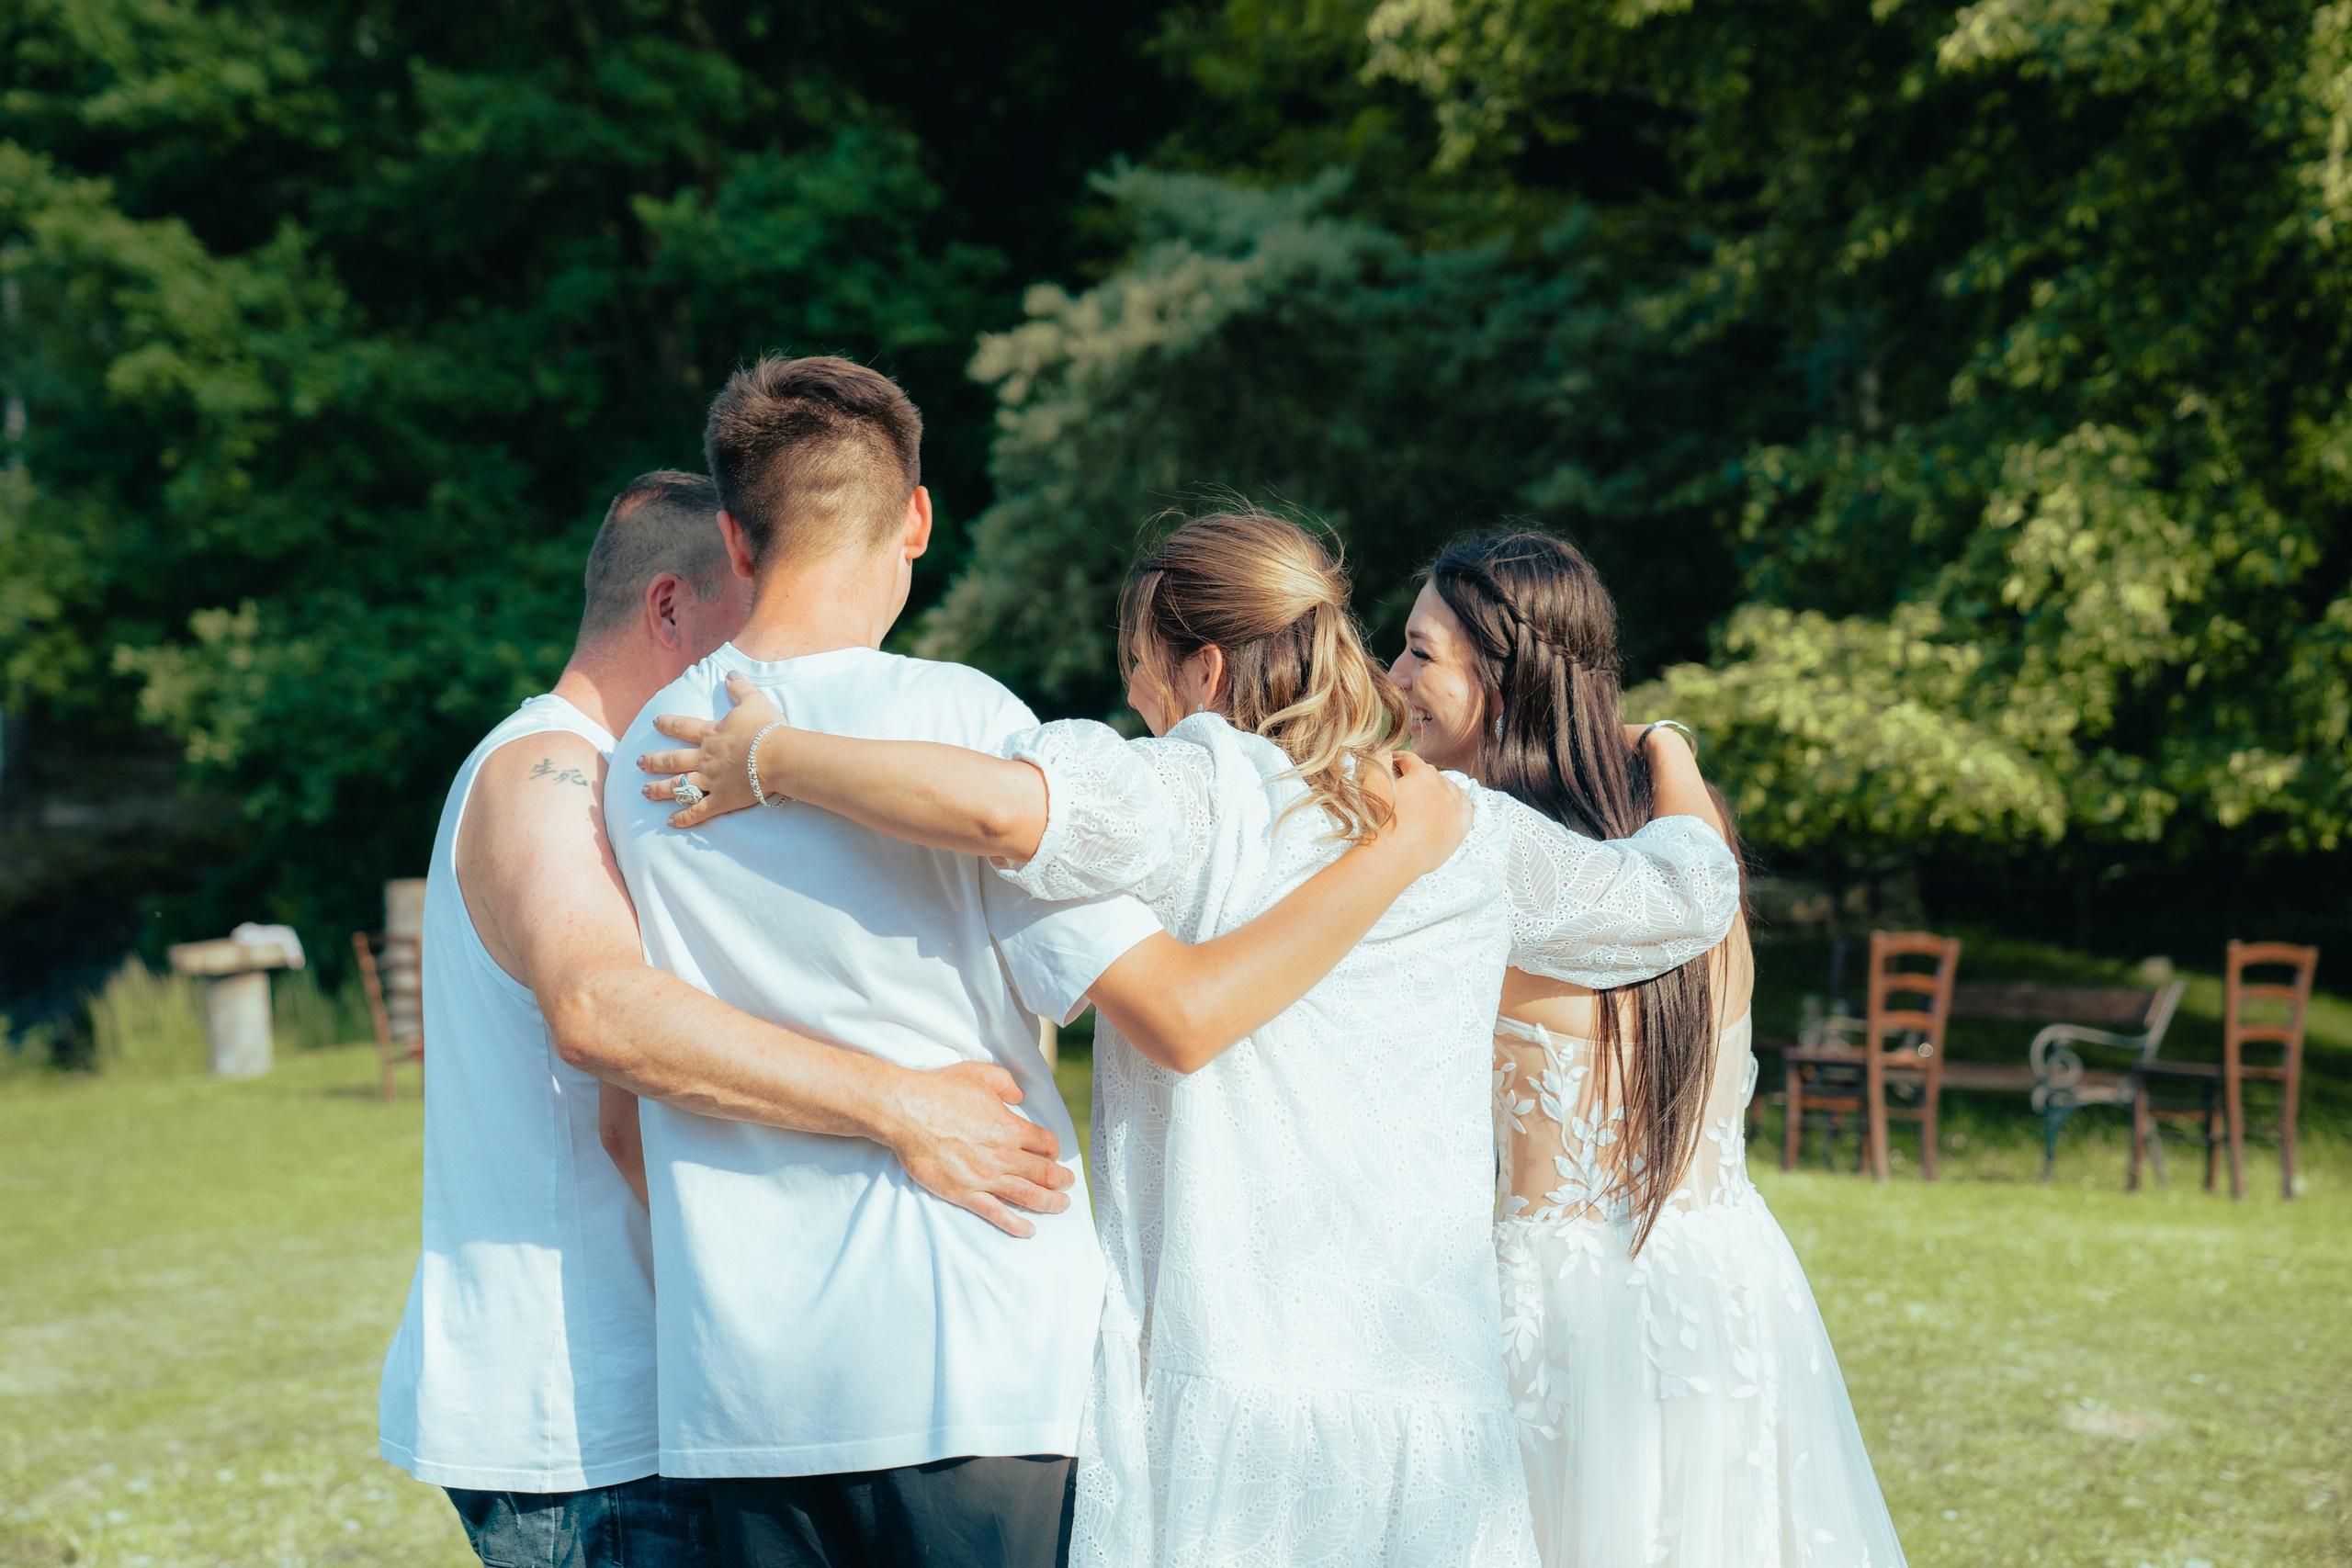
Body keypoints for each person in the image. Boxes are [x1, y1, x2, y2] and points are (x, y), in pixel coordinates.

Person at [640, 509, 1744, 1567]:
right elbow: (1686, 895)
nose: (1132, 693)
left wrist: (777, 758)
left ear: (1205, 671)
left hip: (1227, 1377)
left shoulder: (1195, 791)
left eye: (1139, 664)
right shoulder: (1462, 829)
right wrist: (1669, 756)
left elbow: (996, 811)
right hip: (1428, 1396)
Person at [603, 363, 1473, 1568]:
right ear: (917, 518)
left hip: (745, 1388)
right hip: (978, 1353)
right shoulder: (968, 719)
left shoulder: (642, 752)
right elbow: (1165, 997)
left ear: (735, 543)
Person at [378, 471, 1101, 1568]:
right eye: (744, 620)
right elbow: (600, 1010)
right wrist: (903, 1106)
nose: (763, 666)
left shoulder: (615, 779)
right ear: (669, 606)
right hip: (587, 1420)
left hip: (663, 1403)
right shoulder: (547, 771)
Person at [1391, 529, 1908, 1568]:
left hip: (1542, 1316)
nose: (1389, 673)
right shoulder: (1687, 831)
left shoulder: (1466, 865)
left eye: (1417, 653)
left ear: (1505, 679)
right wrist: (1668, 742)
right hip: (1719, 1284)